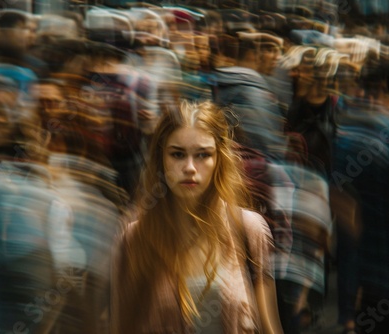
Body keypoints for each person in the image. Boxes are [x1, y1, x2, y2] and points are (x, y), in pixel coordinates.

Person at [110, 100, 284, 333]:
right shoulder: (133, 239)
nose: (190, 167)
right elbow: (121, 326)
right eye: (177, 154)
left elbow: (271, 327)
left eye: (202, 155)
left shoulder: (249, 229)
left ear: (218, 159)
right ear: (161, 159)